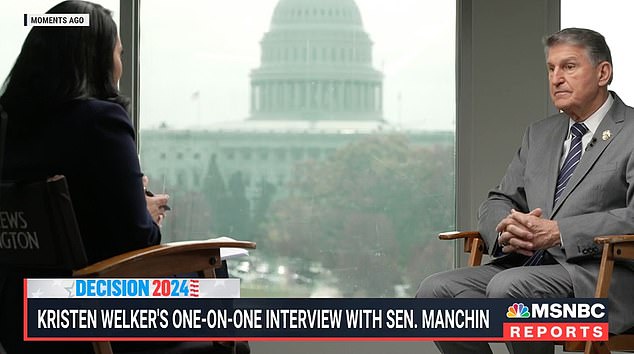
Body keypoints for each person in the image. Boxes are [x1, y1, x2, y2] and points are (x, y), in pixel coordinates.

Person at [0, 1, 244, 353]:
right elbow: (140, 243)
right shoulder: (102, 122)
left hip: (17, 317)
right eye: (119, 53)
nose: (120, 65)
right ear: (96, 58)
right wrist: (147, 212)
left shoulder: (9, 128)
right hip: (92, 321)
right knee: (217, 280)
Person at [416, 28, 634, 354]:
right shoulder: (540, 134)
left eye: (569, 67)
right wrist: (506, 230)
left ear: (603, 72)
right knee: (435, 292)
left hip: (599, 279)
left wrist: (560, 232)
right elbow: (499, 199)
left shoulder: (630, 132)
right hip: (526, 267)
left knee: (512, 290)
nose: (557, 78)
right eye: (551, 68)